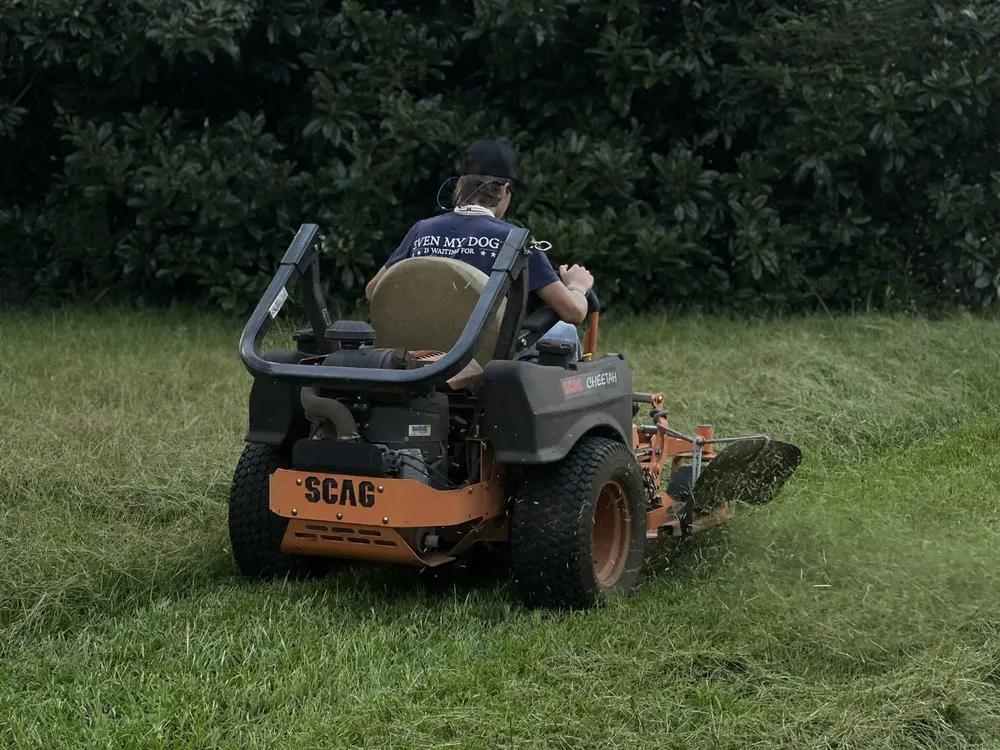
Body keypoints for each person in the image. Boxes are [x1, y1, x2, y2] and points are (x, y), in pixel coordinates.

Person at [364, 139, 594, 360]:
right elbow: (573, 313)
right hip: (484, 357)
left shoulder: (421, 230)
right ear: (504, 190)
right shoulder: (515, 240)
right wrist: (577, 286)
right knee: (565, 330)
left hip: (419, 353)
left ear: (461, 186)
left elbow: (374, 290)